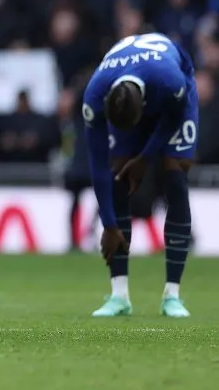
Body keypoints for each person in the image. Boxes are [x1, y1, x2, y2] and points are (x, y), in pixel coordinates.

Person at [81, 32, 196, 318]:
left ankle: (173, 295)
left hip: (175, 91)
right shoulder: (95, 95)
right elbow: (97, 163)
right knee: (119, 173)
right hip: (133, 84)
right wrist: (108, 224)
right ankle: (119, 296)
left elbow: (172, 117)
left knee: (175, 176)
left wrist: (144, 158)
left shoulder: (171, 82)